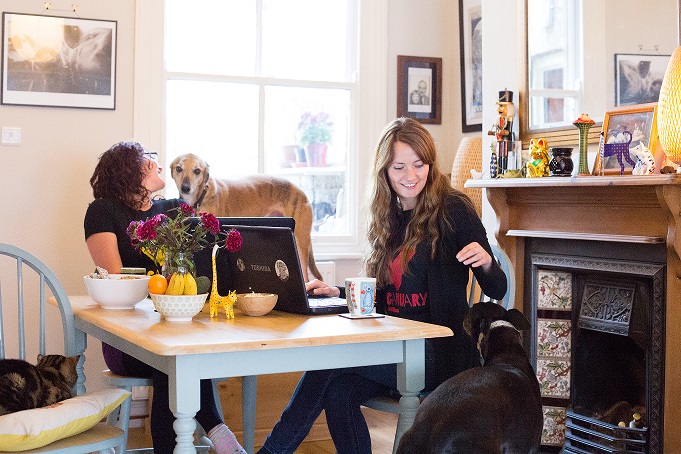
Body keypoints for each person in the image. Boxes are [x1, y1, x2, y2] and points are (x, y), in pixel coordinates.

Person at [256, 118, 507, 454]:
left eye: (420, 165)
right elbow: (385, 297)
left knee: (331, 357)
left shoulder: (454, 209)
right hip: (391, 344)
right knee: (338, 390)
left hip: (437, 352)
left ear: (430, 164)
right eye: (399, 167)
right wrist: (340, 294)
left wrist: (487, 262)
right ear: (384, 171)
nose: (411, 175)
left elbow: (499, 287)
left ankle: (274, 450)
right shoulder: (386, 214)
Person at [84, 141, 246, 454]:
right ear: (129, 168)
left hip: (173, 326)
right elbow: (116, 278)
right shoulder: (102, 211)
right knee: (171, 355)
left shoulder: (174, 209)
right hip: (126, 337)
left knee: (179, 351)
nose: (159, 164)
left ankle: (204, 439)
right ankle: (219, 432)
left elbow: (208, 262)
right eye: (150, 159)